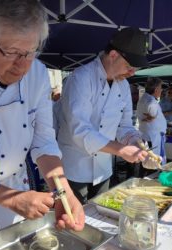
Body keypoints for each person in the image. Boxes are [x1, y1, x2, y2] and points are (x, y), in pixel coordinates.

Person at [0, 0, 84, 250]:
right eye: (11, 52)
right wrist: (13, 200)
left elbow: (43, 141)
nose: (22, 65)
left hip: (20, 197)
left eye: (31, 51)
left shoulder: (39, 73)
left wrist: (64, 191)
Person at [57, 27, 160, 205]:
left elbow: (124, 126)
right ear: (113, 55)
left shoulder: (123, 87)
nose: (132, 73)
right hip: (74, 168)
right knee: (72, 223)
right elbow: (80, 130)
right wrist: (121, 150)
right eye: (129, 66)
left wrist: (137, 145)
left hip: (104, 168)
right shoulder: (81, 78)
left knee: (99, 214)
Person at [137, 77, 167, 175]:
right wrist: (151, 117)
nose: (161, 90)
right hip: (153, 137)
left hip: (149, 135)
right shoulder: (151, 101)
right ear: (156, 90)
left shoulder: (146, 98)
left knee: (147, 161)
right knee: (152, 163)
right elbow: (152, 114)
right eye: (160, 87)